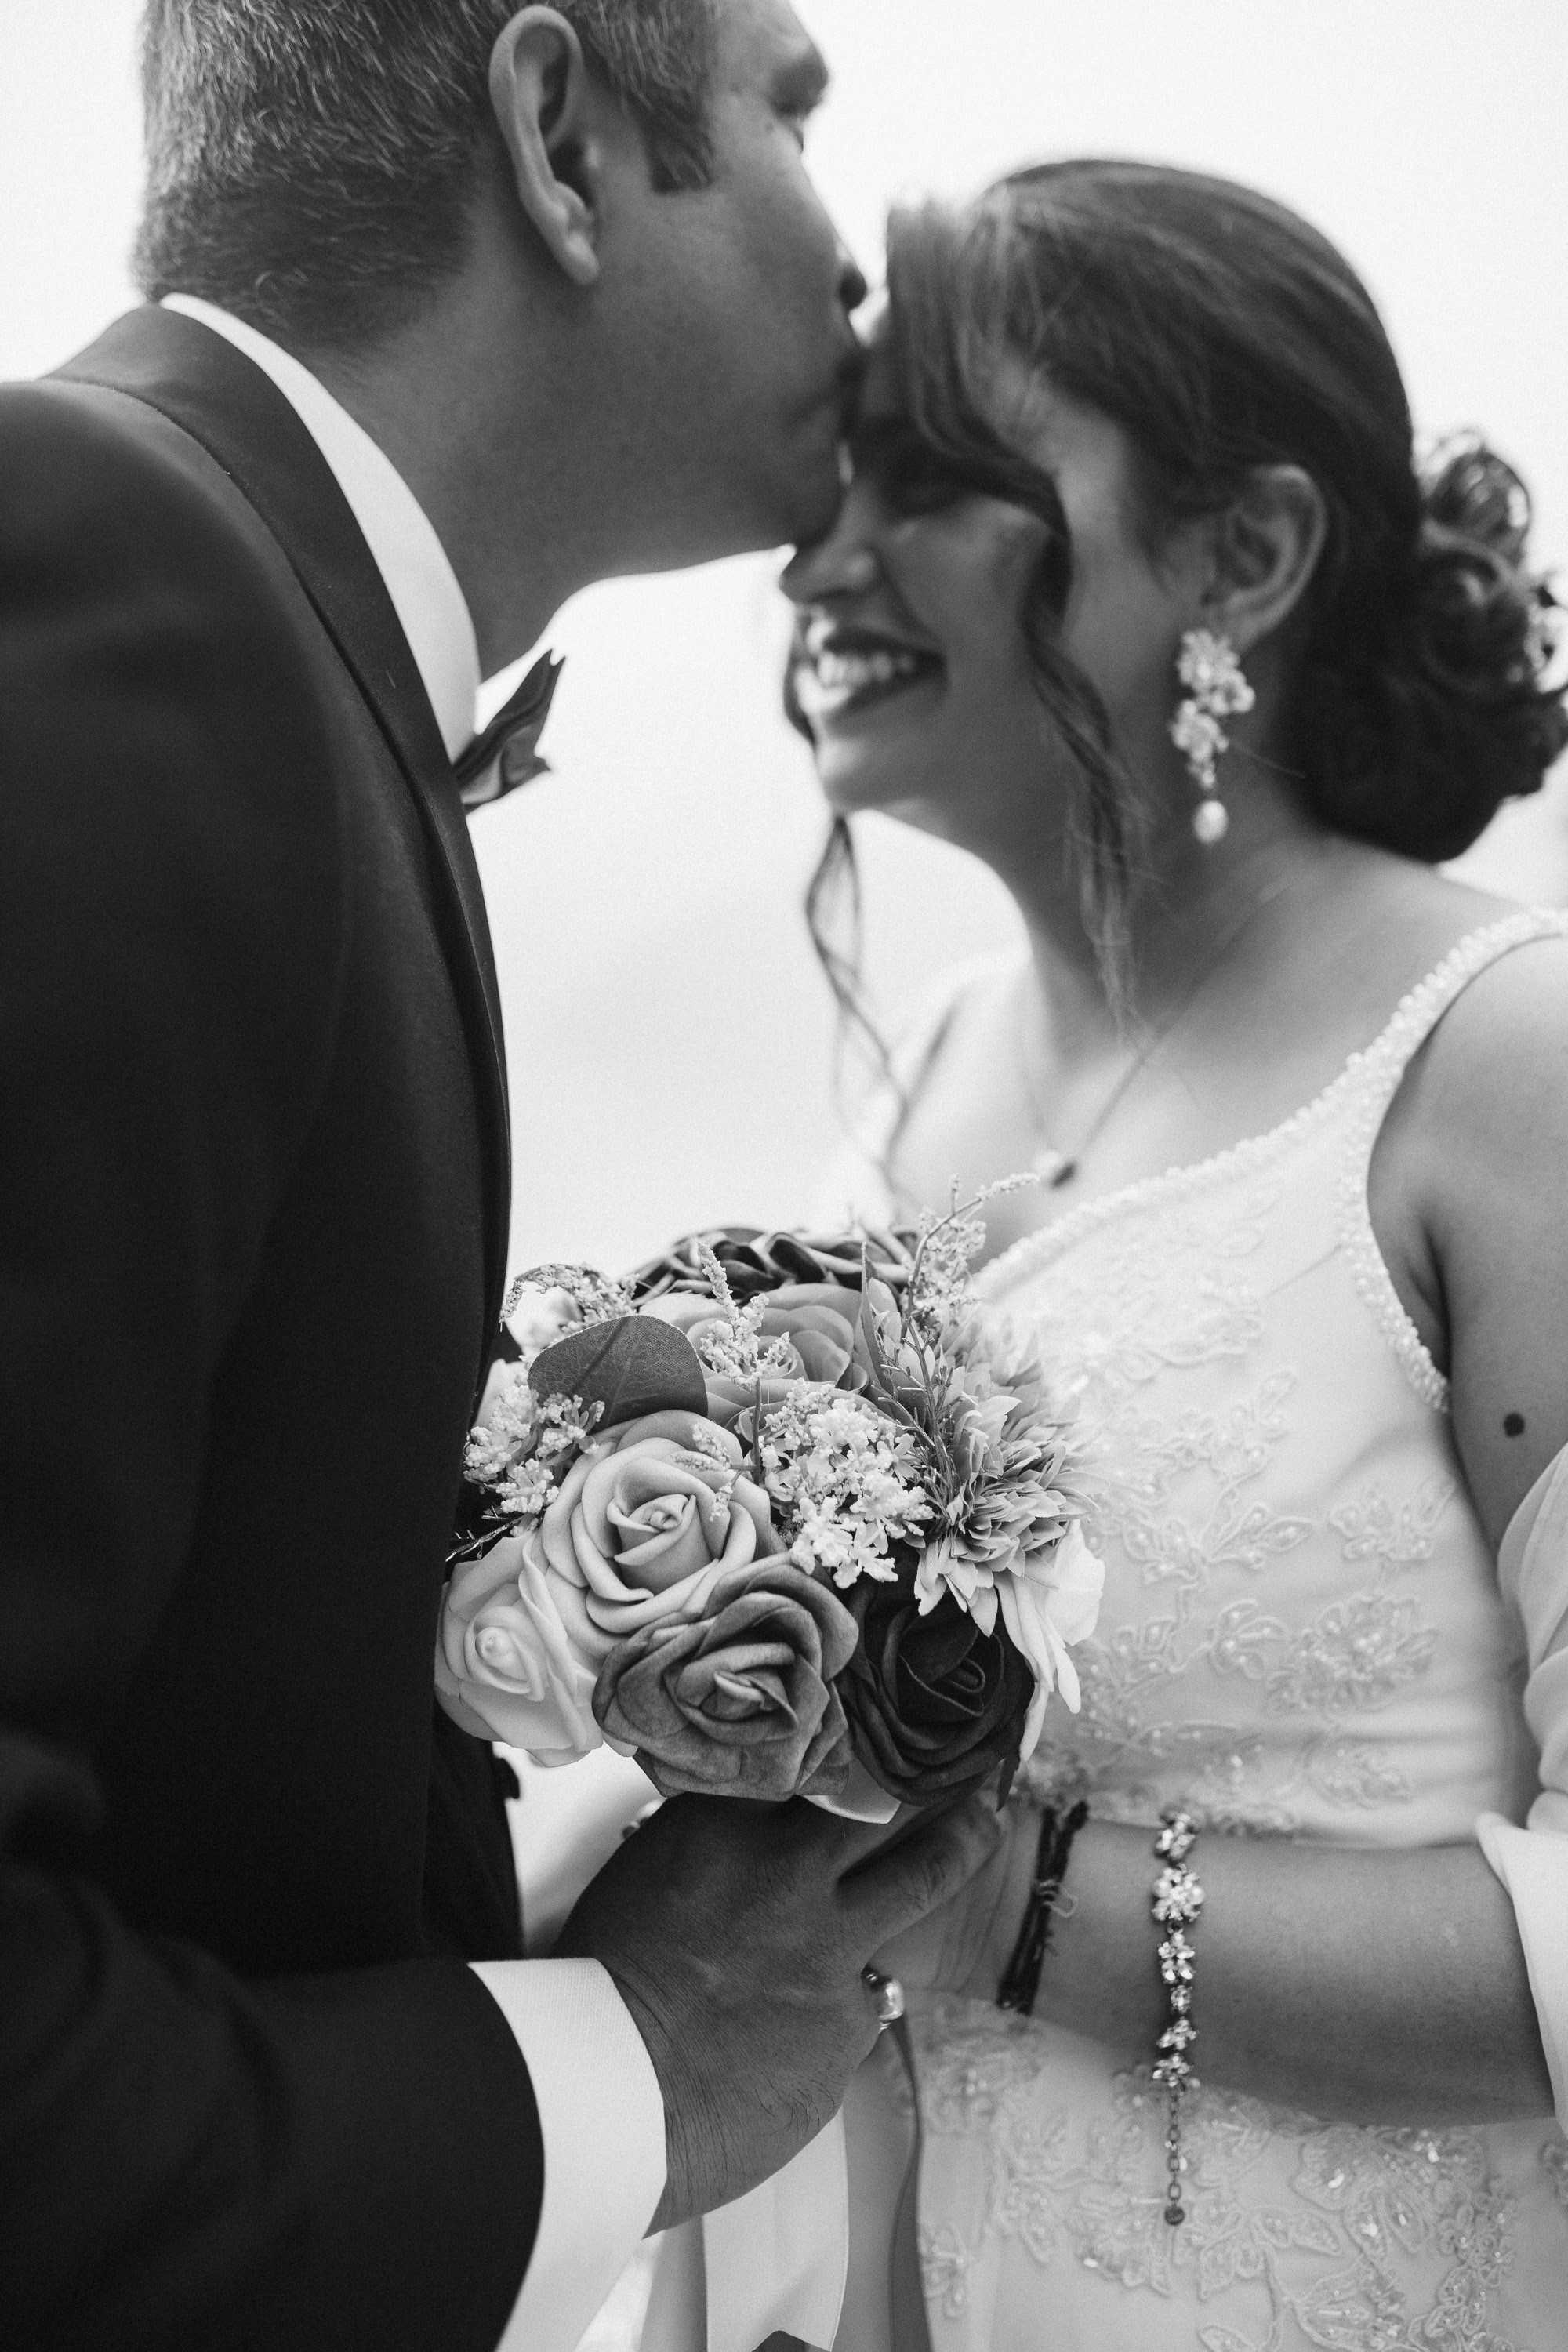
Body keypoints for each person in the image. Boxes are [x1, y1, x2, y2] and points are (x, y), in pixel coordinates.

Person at [0, 6, 1005, 2348]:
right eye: (788, 108)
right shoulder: (112, 587)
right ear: (559, 137)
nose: (845, 246)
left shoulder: (248, 620)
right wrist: (636, 2059)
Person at [783, 160, 1568, 2348]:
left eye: (933, 477)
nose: (826, 560)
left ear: (1246, 553)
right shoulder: (920, 1085)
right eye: (836, 477)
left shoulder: (1505, 1071)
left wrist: (991, 1906)